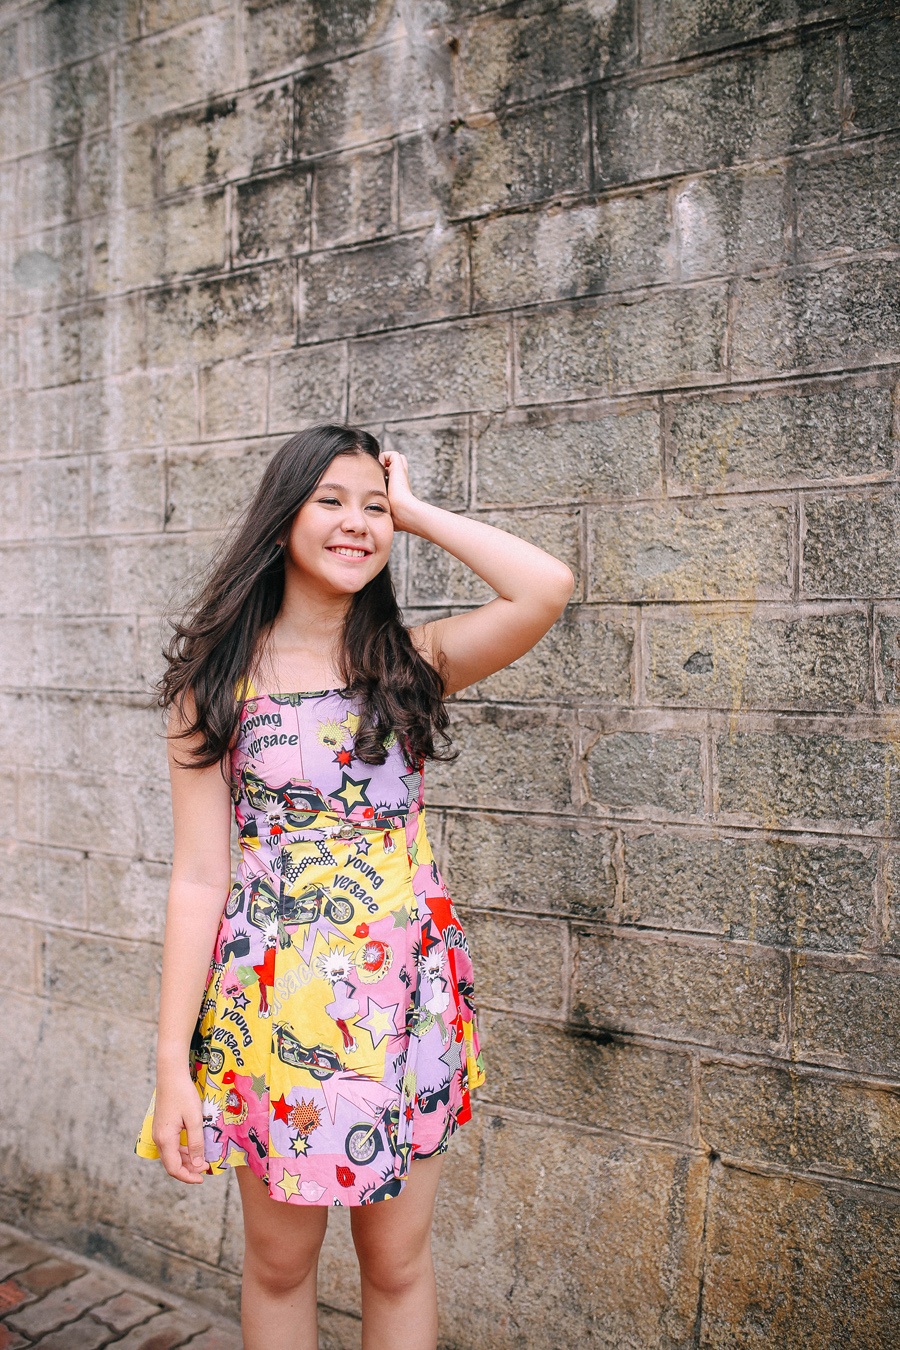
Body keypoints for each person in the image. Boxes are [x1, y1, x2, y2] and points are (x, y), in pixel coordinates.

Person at [134, 424, 575, 1350]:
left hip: (404, 1004)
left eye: (373, 508)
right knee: (279, 1266)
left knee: (398, 1264)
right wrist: (173, 1063)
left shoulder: (411, 664)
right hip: (269, 1012)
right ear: (281, 519)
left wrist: (414, 510)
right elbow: (199, 877)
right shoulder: (214, 686)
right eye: (330, 501)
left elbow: (544, 587)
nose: (357, 523)